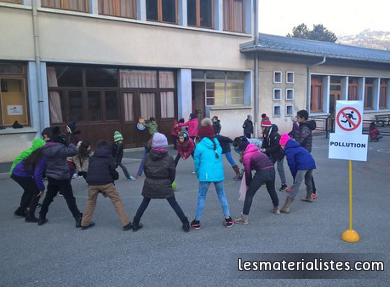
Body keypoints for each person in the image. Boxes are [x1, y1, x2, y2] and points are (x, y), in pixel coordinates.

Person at [132, 133, 190, 232]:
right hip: (165, 183)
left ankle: (135, 223)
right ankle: (185, 223)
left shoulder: (147, 156)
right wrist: (169, 182)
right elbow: (172, 173)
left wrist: (151, 177)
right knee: (173, 203)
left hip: (150, 183)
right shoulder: (169, 158)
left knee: (145, 202)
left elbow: (145, 170)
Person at [190, 118, 234, 230]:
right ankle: (228, 218)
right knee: (222, 195)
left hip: (205, 175)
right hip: (218, 174)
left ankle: (197, 221)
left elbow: (197, 163)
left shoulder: (199, 146)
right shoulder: (217, 144)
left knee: (201, 196)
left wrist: (198, 175)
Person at [80, 141, 133, 231]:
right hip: (106, 183)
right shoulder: (109, 158)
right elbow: (113, 172)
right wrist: (116, 177)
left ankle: (84, 223)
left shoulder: (92, 158)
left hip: (92, 183)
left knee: (90, 202)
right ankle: (126, 223)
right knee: (117, 201)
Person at [38, 127, 83, 227]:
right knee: (69, 198)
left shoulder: (45, 148)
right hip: (62, 176)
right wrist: (66, 141)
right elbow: (74, 150)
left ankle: (41, 216)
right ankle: (77, 217)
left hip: (51, 175)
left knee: (49, 197)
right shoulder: (61, 147)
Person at [235, 138, 280, 225]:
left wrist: (248, 184)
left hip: (262, 173)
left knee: (249, 194)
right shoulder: (257, 151)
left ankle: (244, 218)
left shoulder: (247, 156)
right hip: (271, 170)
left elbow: (248, 172)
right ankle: (276, 208)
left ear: (242, 150)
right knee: (271, 190)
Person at [279, 134, 316, 214]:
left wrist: (295, 176)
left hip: (303, 165)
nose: (281, 146)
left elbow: (292, 164)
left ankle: (286, 206)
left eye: (281, 145)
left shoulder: (289, 150)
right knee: (308, 180)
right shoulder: (296, 146)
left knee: (297, 184)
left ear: (284, 144)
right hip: (310, 163)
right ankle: (309, 196)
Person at [11, 148, 46, 222]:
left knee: (29, 191)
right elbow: (37, 175)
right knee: (37, 192)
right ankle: (30, 216)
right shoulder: (43, 157)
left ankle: (20, 211)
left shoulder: (36, 154)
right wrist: (41, 188)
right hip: (22, 174)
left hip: (16, 173)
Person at [292, 110, 318, 199]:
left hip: (304, 153)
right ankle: (310, 193)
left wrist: (293, 145)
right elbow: (296, 136)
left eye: (298, 117)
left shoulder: (305, 128)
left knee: (306, 174)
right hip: (302, 152)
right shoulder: (301, 126)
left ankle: (312, 192)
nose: (296, 118)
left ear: (303, 118)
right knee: (307, 173)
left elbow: (301, 140)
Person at [261, 122, 287, 191]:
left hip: (279, 154)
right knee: (268, 166)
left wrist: (266, 150)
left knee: (280, 168)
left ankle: (284, 184)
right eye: (262, 127)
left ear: (267, 127)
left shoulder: (275, 135)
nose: (262, 128)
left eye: (263, 127)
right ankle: (266, 181)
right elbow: (264, 143)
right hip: (272, 153)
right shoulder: (265, 134)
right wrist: (262, 148)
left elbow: (276, 147)